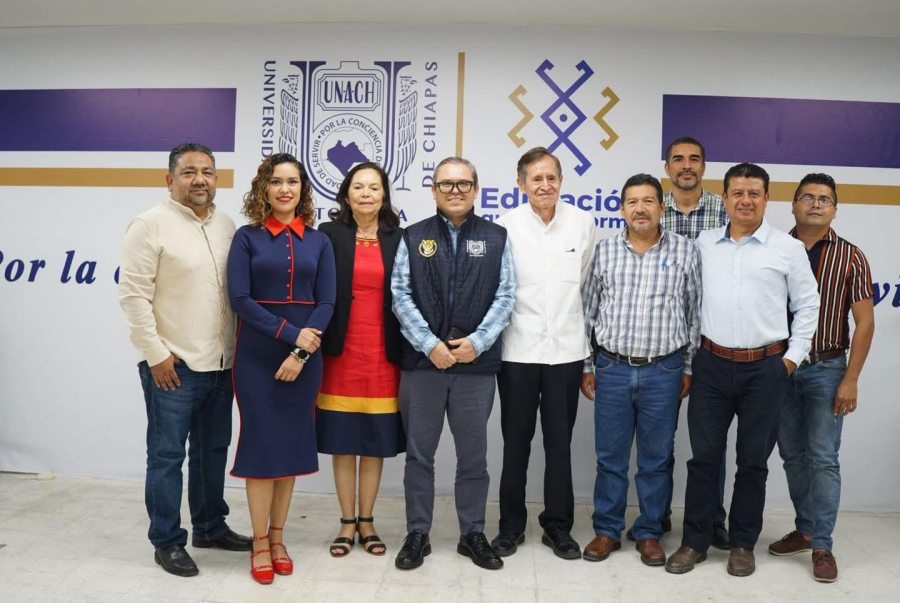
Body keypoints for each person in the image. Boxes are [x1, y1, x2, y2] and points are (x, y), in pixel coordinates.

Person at [666, 163, 820, 577]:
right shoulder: (704, 244)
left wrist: (790, 360)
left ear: (766, 199)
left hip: (766, 370)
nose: (746, 201)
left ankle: (742, 544)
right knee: (704, 460)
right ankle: (694, 541)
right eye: (737, 193)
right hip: (711, 366)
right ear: (725, 198)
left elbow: (808, 306)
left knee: (752, 463)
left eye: (754, 193)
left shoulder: (787, 249)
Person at [119, 142, 251, 577]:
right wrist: (156, 354)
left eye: (207, 172)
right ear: (170, 179)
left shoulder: (226, 225)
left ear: (216, 179)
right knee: (167, 457)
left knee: (211, 452)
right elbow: (133, 296)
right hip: (173, 368)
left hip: (221, 365)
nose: (200, 180)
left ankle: (210, 527)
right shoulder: (149, 225)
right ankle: (167, 541)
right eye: (190, 172)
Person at [391, 157, 516, 571]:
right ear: (434, 190)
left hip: (474, 367)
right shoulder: (413, 236)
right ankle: (417, 533)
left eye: (463, 184)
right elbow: (400, 295)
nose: (455, 191)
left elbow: (506, 295)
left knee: (474, 458)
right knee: (419, 456)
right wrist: (430, 345)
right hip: (423, 365)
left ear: (476, 189)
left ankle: (472, 533)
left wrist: (477, 343)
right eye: (446, 184)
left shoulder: (496, 237)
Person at [580, 174, 701, 567]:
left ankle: (649, 532)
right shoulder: (605, 251)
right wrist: (587, 365)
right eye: (632, 202)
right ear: (621, 209)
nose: (640, 209)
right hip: (612, 368)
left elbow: (694, 313)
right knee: (610, 457)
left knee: (656, 459)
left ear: (662, 207)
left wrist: (687, 367)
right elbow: (588, 312)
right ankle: (607, 530)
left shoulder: (685, 251)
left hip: (663, 371)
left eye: (648, 201)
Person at [227, 153, 336, 584]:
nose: (285, 189)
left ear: (302, 189)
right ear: (264, 188)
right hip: (257, 357)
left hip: (306, 358)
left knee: (289, 449)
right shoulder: (247, 237)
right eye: (276, 181)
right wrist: (291, 336)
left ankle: (277, 537)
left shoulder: (319, 240)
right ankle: (258, 541)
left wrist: (302, 352)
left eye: (293, 181)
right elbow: (240, 300)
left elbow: (326, 302)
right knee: (261, 447)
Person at [491, 147, 596, 560]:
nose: (545, 185)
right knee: (515, 443)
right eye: (536, 178)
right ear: (521, 184)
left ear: (561, 181)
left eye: (551, 177)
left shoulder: (582, 224)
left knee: (559, 444)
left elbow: (585, 288)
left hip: (566, 353)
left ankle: (558, 527)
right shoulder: (506, 227)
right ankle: (510, 527)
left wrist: (588, 358)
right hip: (517, 351)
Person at [768, 173, 874, 583]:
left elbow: (865, 322)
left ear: (835, 209)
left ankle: (823, 545)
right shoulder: (774, 249)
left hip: (827, 369)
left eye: (824, 199)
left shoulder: (851, 257)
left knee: (824, 458)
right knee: (792, 455)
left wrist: (851, 379)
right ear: (793, 204)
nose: (815, 204)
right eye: (807, 197)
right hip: (781, 369)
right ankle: (806, 528)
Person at [640, 136, 730, 550]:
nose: (686, 165)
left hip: (716, 340)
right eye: (678, 159)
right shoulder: (653, 210)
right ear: (667, 167)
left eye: (694, 159)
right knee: (661, 440)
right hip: (666, 345)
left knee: (711, 441)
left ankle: (712, 519)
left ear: (704, 166)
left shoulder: (724, 210)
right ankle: (656, 516)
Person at [316, 162, 405, 558]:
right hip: (341, 351)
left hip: (384, 353)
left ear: (384, 195)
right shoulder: (328, 234)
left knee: (373, 441)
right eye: (358, 187)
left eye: (374, 187)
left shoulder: (400, 238)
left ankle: (367, 520)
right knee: (343, 440)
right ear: (346, 195)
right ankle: (346, 522)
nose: (366, 194)